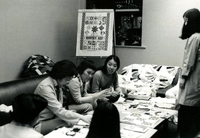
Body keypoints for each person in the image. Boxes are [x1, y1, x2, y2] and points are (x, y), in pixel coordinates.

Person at [33, 60, 92, 135]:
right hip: (39, 123)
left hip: (53, 118)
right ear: (59, 75)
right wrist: (82, 117)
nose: (68, 82)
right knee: (69, 121)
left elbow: (60, 108)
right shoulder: (45, 87)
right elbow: (59, 111)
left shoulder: (57, 84)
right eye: (67, 79)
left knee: (73, 118)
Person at [177, 8, 200, 138]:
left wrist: (182, 80)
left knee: (186, 120)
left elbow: (189, 62)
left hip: (191, 84)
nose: (184, 24)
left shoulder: (194, 38)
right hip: (196, 85)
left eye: (186, 21)